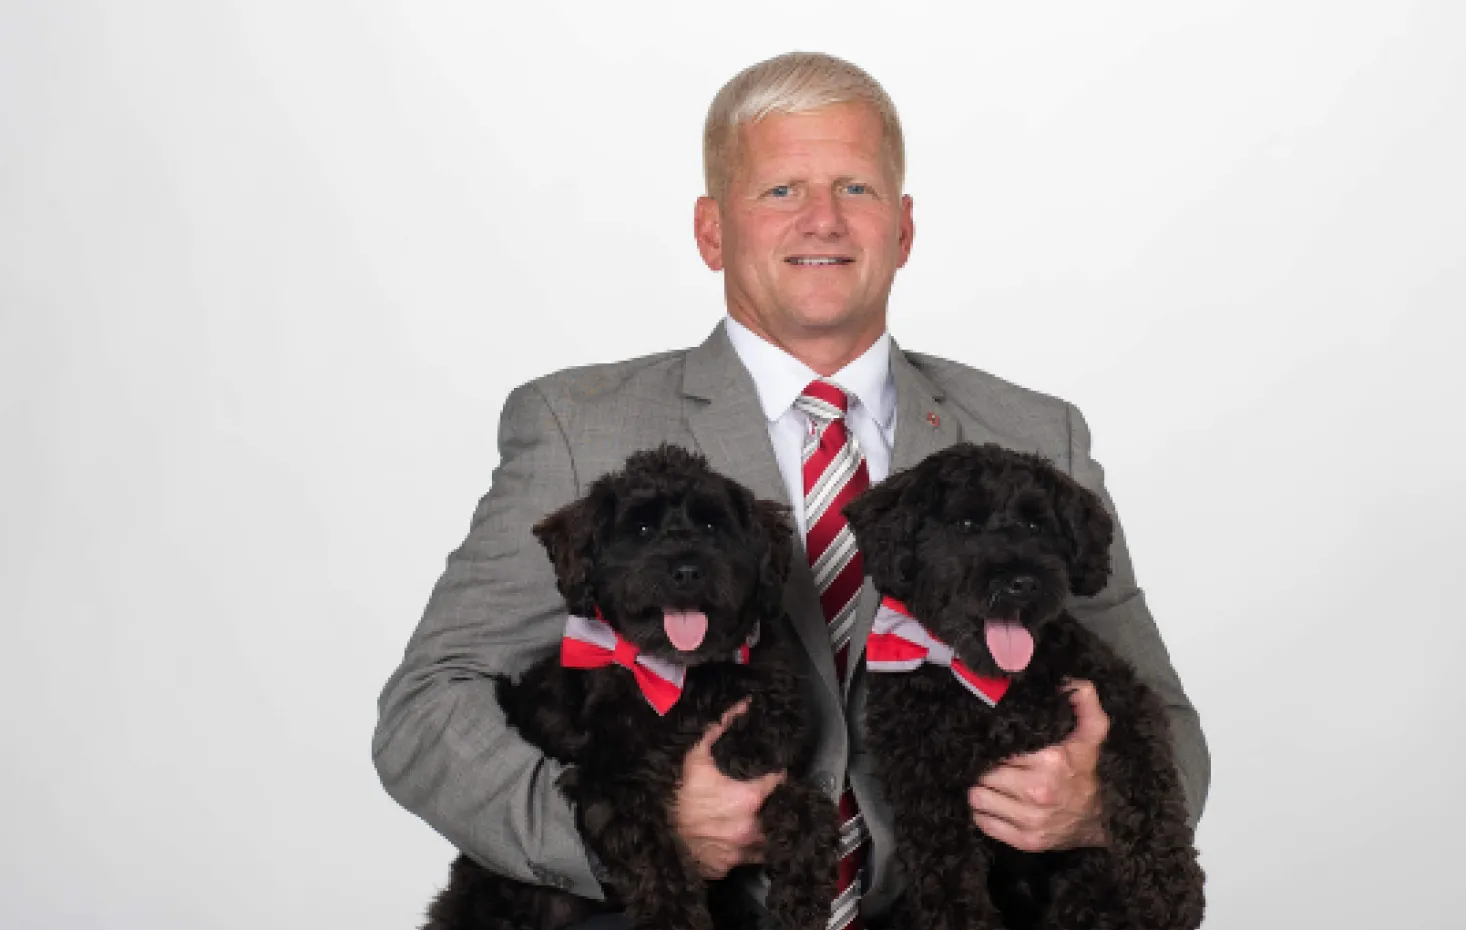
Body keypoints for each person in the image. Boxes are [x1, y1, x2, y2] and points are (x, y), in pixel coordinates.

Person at [374, 51, 1209, 929]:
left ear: (904, 227)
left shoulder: (1039, 435)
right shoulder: (580, 427)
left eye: (856, 188)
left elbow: (1170, 724)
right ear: (711, 230)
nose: (823, 220)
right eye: (780, 191)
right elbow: (428, 710)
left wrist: (1094, 804)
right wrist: (616, 831)